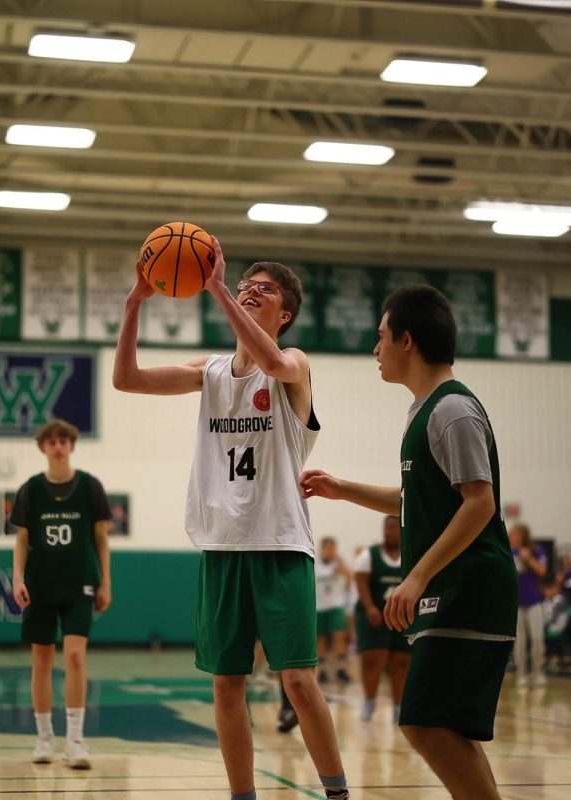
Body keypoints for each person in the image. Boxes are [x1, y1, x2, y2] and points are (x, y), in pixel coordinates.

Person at [113, 239, 350, 800]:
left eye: (262, 290)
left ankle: (337, 793)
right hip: (222, 546)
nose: (249, 291)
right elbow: (128, 379)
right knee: (226, 688)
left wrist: (217, 286)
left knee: (296, 680)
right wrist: (134, 302)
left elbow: (269, 359)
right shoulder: (211, 371)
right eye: (245, 284)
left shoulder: (293, 367)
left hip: (281, 544)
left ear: (284, 314)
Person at [300, 286, 517, 800]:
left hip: (471, 589)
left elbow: (479, 503)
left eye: (381, 337)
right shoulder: (424, 412)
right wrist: (341, 488)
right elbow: (416, 502)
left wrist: (415, 575)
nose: (376, 349)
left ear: (407, 341)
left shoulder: (453, 410)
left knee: (422, 720)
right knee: (441, 726)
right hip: (456, 591)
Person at [10, 419, 113, 770]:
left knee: (74, 658)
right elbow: (22, 540)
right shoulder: (31, 489)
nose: (57, 446)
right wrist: (16, 578)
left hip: (79, 582)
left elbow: (101, 537)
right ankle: (43, 737)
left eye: (63, 441)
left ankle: (75, 741)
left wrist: (106, 581)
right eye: (51, 441)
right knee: (41, 660)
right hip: (40, 583)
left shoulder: (89, 486)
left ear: (71, 446)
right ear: (43, 447)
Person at [353, 515, 411, 723]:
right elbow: (361, 583)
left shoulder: (411, 553)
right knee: (373, 659)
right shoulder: (369, 555)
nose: (390, 532)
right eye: (387, 527)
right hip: (374, 616)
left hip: (402, 615)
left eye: (394, 527)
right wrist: (369, 607)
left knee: (401, 661)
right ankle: (369, 701)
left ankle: (399, 707)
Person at [508, 523, 548, 687]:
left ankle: (538, 672)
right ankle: (521, 673)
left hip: (534, 601)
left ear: (522, 535)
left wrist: (528, 559)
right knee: (520, 641)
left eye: (514, 534)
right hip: (516, 602)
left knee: (537, 638)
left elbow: (542, 571)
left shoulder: (536, 550)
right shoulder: (508, 552)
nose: (511, 537)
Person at [314, 536, 352, 684]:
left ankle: (342, 669)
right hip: (319, 607)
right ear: (322, 549)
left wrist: (341, 563)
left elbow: (350, 577)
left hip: (336, 606)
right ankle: (322, 670)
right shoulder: (315, 563)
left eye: (332, 548)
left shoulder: (339, 563)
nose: (330, 551)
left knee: (339, 636)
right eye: (327, 548)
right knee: (321, 638)